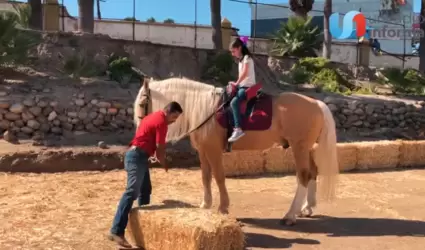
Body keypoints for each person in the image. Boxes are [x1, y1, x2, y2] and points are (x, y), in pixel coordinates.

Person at [108, 101, 183, 248]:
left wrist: (154, 154)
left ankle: (144, 224)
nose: (174, 121)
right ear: (169, 111)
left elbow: (148, 138)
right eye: (174, 117)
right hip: (136, 157)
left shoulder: (153, 116)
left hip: (139, 156)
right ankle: (116, 231)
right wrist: (164, 163)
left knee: (145, 190)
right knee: (132, 191)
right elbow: (160, 147)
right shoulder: (162, 122)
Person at [228, 37, 256, 142]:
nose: (232, 54)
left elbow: (244, 73)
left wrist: (236, 83)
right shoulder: (241, 61)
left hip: (248, 88)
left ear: (239, 48)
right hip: (242, 86)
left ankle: (238, 128)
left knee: (234, 103)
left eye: (233, 51)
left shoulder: (247, 58)